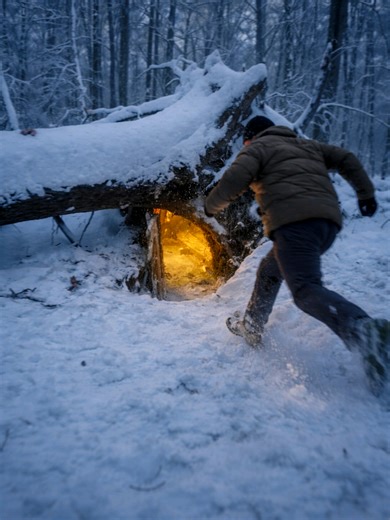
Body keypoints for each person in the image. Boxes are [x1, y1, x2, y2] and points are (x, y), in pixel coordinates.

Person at [204, 115, 389, 395]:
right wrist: (365, 195)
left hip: (294, 224)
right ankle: (252, 326)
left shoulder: (257, 148)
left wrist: (210, 206)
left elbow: (234, 179)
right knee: (270, 269)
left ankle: (364, 331)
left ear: (251, 137)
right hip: (326, 223)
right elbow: (347, 158)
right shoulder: (308, 146)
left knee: (304, 290)